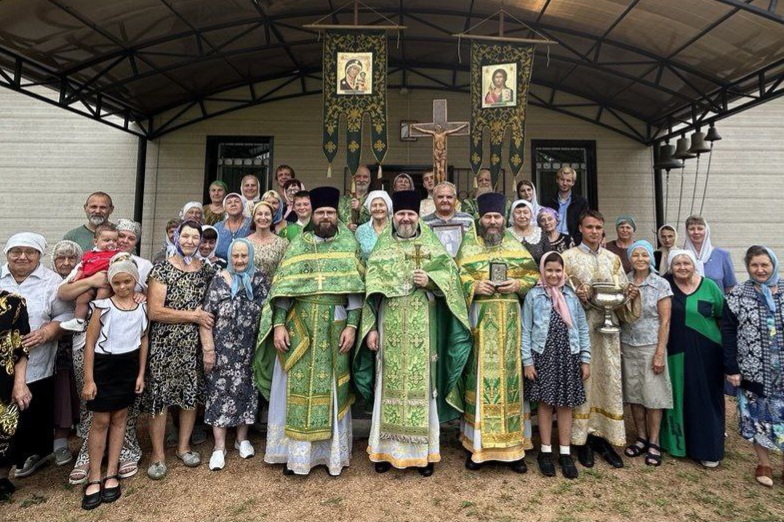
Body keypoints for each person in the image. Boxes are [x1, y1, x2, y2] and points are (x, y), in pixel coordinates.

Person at [354, 190, 471, 477]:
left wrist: (431, 280)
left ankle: (423, 455)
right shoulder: (382, 249)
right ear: (393, 217)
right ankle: (384, 450)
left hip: (423, 330)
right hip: (389, 328)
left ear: (418, 216)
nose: (405, 219)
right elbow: (371, 292)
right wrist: (370, 330)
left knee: (423, 387)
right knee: (386, 386)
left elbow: (451, 279)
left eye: (410, 214)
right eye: (401, 214)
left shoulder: (431, 245)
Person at [254, 187, 364, 477]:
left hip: (335, 323)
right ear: (313, 215)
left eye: (330, 212)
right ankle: (296, 457)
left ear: (337, 215)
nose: (325, 217)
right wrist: (278, 325)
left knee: (333, 389)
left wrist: (352, 326)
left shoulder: (348, 244)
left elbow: (356, 292)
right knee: (294, 387)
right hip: (299, 326)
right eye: (321, 212)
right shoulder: (298, 246)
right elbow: (282, 290)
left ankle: (330, 457)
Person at [59, 220, 151, 483]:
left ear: (136, 242)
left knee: (123, 409)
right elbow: (64, 291)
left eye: (130, 238)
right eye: (120, 236)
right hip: (93, 342)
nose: (123, 241)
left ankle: (125, 451)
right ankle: (88, 457)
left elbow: (148, 296)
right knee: (92, 402)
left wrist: (143, 295)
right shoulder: (91, 260)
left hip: (127, 342)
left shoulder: (142, 265)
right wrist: (92, 280)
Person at [456, 192, 539, 473]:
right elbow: (456, 277)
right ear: (480, 219)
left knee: (511, 379)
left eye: (497, 217)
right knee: (479, 379)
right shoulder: (468, 246)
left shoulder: (514, 244)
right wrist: (473, 287)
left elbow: (533, 276)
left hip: (511, 322)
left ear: (504, 220)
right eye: (488, 217)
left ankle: (513, 449)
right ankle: (476, 447)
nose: (492, 222)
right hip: (480, 321)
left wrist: (518, 284)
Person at [562, 210, 641, 469]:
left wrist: (630, 294)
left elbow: (621, 294)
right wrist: (576, 295)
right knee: (584, 380)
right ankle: (581, 439)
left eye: (598, 227)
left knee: (607, 379)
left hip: (608, 331)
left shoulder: (612, 259)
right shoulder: (568, 258)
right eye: (589, 227)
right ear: (580, 229)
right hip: (580, 330)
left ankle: (603, 437)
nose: (594, 231)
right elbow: (557, 294)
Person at [144, 221, 217, 479]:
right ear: (176, 238)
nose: (190, 241)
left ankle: (183, 447)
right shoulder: (162, 269)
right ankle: (158, 454)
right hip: (164, 343)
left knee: (189, 395)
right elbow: (155, 311)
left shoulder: (205, 270)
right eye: (185, 236)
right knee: (160, 398)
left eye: (195, 237)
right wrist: (192, 316)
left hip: (192, 344)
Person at [0, 233, 72, 479]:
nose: (22, 257)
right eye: (16, 251)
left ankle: (32, 454)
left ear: (40, 255)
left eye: (29, 252)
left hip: (38, 357)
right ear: (7, 254)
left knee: (32, 410)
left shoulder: (51, 281)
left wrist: (47, 332)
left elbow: (66, 315)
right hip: (2, 361)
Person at [79, 257, 148, 510]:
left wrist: (140, 374)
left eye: (127, 281)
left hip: (128, 366)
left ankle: (112, 471)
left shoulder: (142, 307)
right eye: (117, 283)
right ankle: (94, 475)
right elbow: (89, 343)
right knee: (100, 421)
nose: (122, 287)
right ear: (111, 283)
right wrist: (89, 379)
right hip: (104, 367)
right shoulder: (102, 307)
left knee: (120, 419)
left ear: (135, 281)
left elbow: (144, 339)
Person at [200, 239, 270, 471]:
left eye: (244, 256)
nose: (239, 260)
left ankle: (242, 439)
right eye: (235, 256)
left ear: (250, 256)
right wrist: (208, 349)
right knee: (219, 394)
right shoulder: (219, 280)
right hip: (222, 350)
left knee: (247, 392)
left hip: (249, 349)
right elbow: (206, 317)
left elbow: (268, 311)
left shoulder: (259, 279)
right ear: (230, 257)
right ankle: (219, 447)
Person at [522, 251, 590, 479]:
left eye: (558, 270)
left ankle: (565, 452)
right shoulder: (534, 295)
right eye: (549, 270)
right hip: (543, 355)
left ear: (564, 272)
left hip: (568, 355)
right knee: (545, 403)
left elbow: (582, 327)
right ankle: (545, 451)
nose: (553, 274)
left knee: (565, 404)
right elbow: (526, 330)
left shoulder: (570, 295)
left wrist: (585, 358)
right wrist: (527, 361)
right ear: (542, 270)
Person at [723, 246, 784, 487]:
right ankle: (764, 463)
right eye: (754, 265)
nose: (760, 270)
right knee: (757, 417)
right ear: (748, 267)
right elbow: (728, 332)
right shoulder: (738, 294)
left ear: (773, 265)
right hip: (753, 370)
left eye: (764, 265)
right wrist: (731, 368)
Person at [660, 249, 725, 468]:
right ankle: (678, 444)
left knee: (705, 399)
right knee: (679, 398)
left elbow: (722, 318)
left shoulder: (710, 286)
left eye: (686, 263)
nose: (682, 267)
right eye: (677, 264)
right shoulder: (665, 286)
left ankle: (708, 448)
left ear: (694, 265)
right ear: (671, 267)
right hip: (676, 352)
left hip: (708, 354)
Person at [620, 241, 673, 467]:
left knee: (653, 397)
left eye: (644, 255)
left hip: (651, 346)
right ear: (630, 258)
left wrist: (660, 353)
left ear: (650, 257)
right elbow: (619, 313)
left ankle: (654, 441)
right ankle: (641, 437)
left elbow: (665, 321)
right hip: (627, 344)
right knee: (634, 395)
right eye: (635, 255)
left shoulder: (660, 284)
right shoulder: (624, 282)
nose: (640, 259)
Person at [50, 240, 82, 467]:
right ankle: (58, 441)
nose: (66, 262)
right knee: (58, 392)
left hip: (79, 343)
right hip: (52, 345)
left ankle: (76, 429)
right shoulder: (47, 281)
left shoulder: (83, 278)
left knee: (76, 388)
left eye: (72, 258)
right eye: (61, 258)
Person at [59, 224, 122, 333]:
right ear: (95, 242)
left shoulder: (117, 254)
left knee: (102, 295)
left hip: (106, 284)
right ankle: (79, 321)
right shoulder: (89, 255)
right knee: (82, 298)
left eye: (114, 240)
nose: (111, 243)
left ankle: (96, 315)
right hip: (89, 283)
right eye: (107, 240)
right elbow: (82, 268)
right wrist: (76, 278)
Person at [0, 289, 31, 500]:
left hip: (4, 380)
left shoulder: (14, 303)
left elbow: (21, 349)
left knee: (5, 428)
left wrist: (20, 383)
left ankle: (2, 477)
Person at [683, 215, 737, 293]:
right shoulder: (682, 256)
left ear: (707, 230)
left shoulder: (722, 255)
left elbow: (730, 287)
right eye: (692, 229)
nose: (696, 232)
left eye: (700, 228)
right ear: (687, 232)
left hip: (717, 300)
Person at [421, 181, 475, 257]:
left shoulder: (468, 220)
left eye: (449, 197)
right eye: (440, 197)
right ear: (434, 199)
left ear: (455, 199)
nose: (445, 200)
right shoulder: (423, 222)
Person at [246, 201, 288, 278]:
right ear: (253, 218)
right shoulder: (244, 243)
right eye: (259, 214)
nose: (263, 217)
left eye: (267, 214)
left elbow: (286, 270)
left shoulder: (282, 243)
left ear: (272, 218)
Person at [549, 166, 590, 246]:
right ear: (557, 180)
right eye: (562, 179)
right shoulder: (549, 202)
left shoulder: (581, 202)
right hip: (552, 241)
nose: (565, 183)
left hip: (573, 242)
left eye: (568, 180)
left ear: (573, 183)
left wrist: (577, 241)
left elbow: (585, 223)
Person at [508, 200, 549, 264]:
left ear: (531, 214)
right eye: (518, 213)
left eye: (526, 212)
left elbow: (548, 258)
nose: (522, 216)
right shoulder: (506, 234)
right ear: (512, 215)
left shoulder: (540, 233)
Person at [355, 190, 392, 262]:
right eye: (374, 205)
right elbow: (357, 256)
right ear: (369, 209)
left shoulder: (394, 228)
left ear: (387, 207)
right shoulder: (361, 230)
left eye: (381, 205)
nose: (378, 208)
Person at [214, 193, 251, 261]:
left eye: (237, 201)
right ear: (224, 208)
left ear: (243, 206)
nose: (233, 204)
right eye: (229, 202)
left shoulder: (251, 224)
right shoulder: (217, 227)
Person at [338, 165, 372, 231]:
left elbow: (379, 222)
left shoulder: (374, 200)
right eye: (358, 176)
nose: (361, 180)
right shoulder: (341, 201)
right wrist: (346, 227)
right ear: (353, 179)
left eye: (365, 177)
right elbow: (335, 222)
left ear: (370, 180)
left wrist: (361, 208)